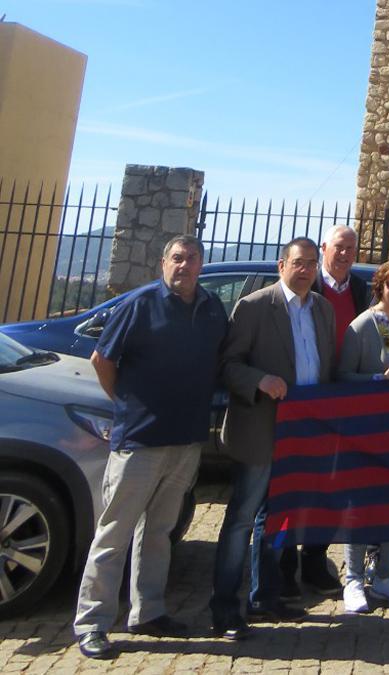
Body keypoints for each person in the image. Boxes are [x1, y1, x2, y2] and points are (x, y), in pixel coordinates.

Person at [73, 235, 228, 660]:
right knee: (114, 533)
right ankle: (92, 623)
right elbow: (102, 361)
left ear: (202, 264)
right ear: (164, 263)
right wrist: (125, 405)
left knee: (159, 532)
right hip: (139, 440)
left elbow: (218, 362)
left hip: (186, 439)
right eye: (177, 258)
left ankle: (149, 611)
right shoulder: (139, 305)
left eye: (193, 259)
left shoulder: (213, 309)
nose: (185, 265)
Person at [212, 237, 335, 639]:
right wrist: (260, 380)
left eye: (312, 264)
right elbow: (228, 365)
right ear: (282, 264)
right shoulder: (254, 306)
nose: (306, 270)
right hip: (261, 431)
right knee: (242, 520)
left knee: (277, 520)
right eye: (299, 263)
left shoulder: (323, 309)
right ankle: (225, 608)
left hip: (302, 434)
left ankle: (265, 597)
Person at [274, 225, 370, 600]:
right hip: (298, 404)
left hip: (343, 400)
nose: (344, 253)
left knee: (329, 487)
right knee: (293, 488)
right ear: (324, 249)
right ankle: (283, 568)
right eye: (338, 247)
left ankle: (313, 562)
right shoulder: (307, 285)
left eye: (351, 248)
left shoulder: (361, 289)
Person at [336, 258, 389, 612]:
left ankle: (385, 574)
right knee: (361, 505)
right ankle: (354, 579)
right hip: (368, 429)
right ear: (380, 286)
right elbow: (342, 376)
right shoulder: (363, 325)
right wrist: (378, 379)